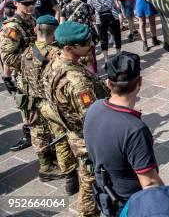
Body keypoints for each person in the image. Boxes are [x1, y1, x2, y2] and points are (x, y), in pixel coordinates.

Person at [42, 21, 108, 217]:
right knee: (90, 180)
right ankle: (88, 213)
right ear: (69, 48)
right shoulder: (76, 82)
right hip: (84, 137)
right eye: (85, 42)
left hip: (71, 130)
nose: (90, 43)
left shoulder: (55, 63)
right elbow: (93, 117)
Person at [84, 52, 163, 214]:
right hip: (130, 204)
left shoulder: (94, 107)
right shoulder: (135, 130)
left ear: (108, 83)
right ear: (139, 82)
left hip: (105, 196)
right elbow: (150, 184)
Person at [19, 15, 78, 186]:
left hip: (31, 100)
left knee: (38, 134)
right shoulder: (55, 53)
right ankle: (69, 175)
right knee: (61, 136)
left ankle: (45, 167)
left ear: (37, 29)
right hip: (50, 103)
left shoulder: (26, 51)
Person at [0, 0, 37, 151]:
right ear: (15, 4)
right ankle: (30, 136)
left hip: (36, 72)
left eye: (33, 3)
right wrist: (7, 76)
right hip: (25, 74)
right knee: (28, 107)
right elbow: (7, 56)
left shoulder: (29, 19)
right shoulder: (12, 27)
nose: (31, 6)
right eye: (26, 4)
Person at [86, 0, 122, 68]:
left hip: (100, 19)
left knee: (103, 39)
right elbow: (117, 5)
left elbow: (90, 10)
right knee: (117, 36)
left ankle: (106, 60)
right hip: (113, 16)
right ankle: (119, 55)